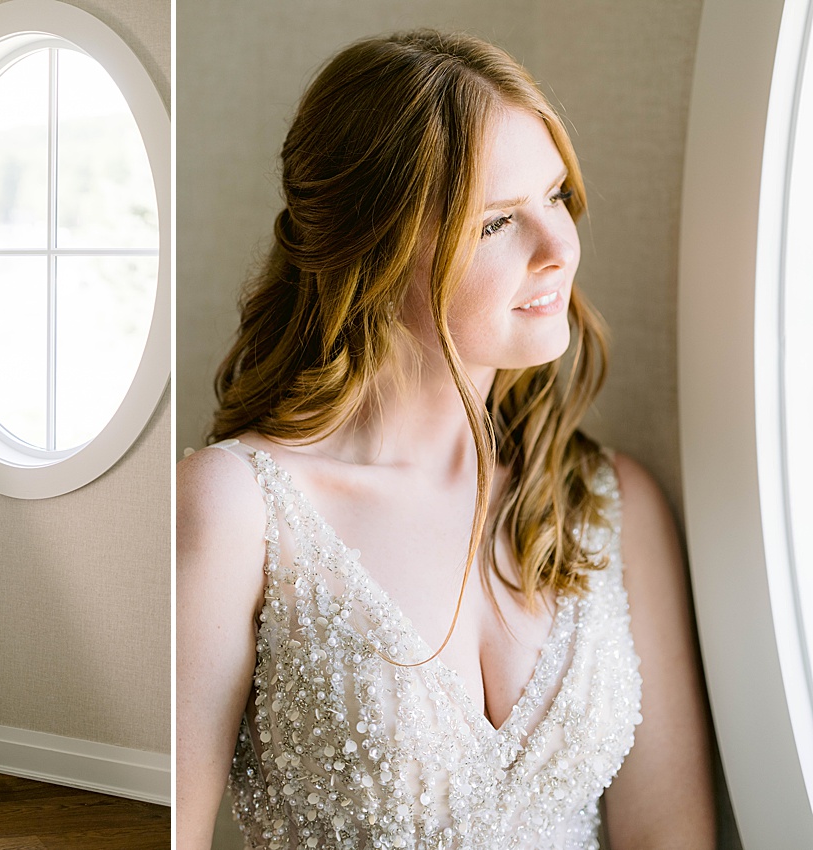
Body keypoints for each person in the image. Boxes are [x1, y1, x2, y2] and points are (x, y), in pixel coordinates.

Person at [177, 31, 714, 849]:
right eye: (497, 222)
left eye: (557, 196)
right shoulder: (239, 508)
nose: (560, 248)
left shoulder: (608, 504)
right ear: (376, 248)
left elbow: (670, 836)